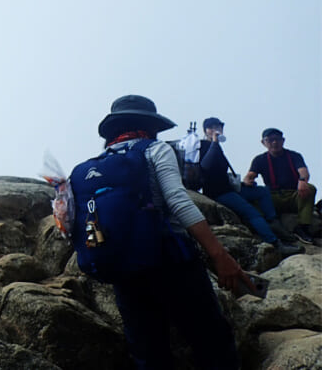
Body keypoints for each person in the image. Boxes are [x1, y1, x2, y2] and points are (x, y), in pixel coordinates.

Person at [95, 95, 247, 369]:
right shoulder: (155, 149)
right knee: (210, 339)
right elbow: (178, 200)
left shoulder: (97, 163)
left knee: (148, 349)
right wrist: (219, 255)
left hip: (123, 268)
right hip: (171, 259)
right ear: (150, 124)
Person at [197, 117, 300, 254]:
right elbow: (205, 165)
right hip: (219, 193)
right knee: (253, 213)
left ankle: (273, 222)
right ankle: (275, 244)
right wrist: (214, 142)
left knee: (262, 191)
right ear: (205, 131)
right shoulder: (203, 145)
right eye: (212, 127)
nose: (216, 129)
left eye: (219, 127)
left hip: (229, 188)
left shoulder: (216, 147)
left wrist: (243, 183)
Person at [245, 128, 317, 245]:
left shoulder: (294, 156)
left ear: (283, 140)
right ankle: (270, 225)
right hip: (273, 198)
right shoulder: (260, 159)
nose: (274, 142)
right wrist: (249, 181)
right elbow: (249, 176)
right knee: (250, 199)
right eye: (270, 140)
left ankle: (303, 227)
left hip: (294, 195)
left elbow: (303, 171)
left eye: (277, 139)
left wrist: (303, 180)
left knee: (310, 188)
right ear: (263, 142)